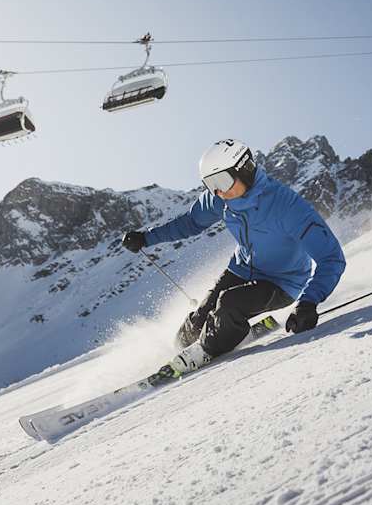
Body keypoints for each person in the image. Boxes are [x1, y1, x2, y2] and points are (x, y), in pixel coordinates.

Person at [121, 139, 346, 378]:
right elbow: (191, 223)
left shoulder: (286, 206)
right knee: (199, 319)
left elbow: (332, 258)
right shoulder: (221, 199)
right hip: (240, 268)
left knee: (230, 303)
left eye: (222, 181)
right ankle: (179, 350)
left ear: (244, 169)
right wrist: (146, 238)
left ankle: (207, 349)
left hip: (282, 282)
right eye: (210, 184)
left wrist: (308, 303)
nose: (217, 190)